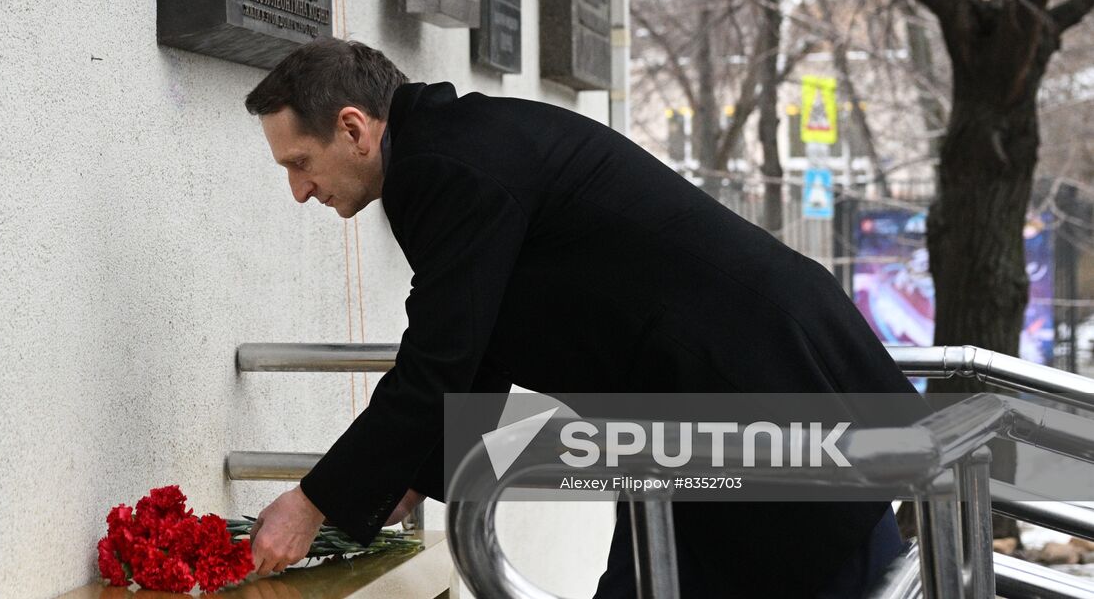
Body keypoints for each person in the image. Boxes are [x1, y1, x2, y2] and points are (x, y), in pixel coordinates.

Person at [243, 38, 913, 597]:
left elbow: (439, 360)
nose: (300, 190)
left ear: (354, 129)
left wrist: (311, 504)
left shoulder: (446, 167)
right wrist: (412, 481)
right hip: (698, 405)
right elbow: (485, 344)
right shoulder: (446, 149)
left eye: (300, 163)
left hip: (751, 384)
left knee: (835, 574)